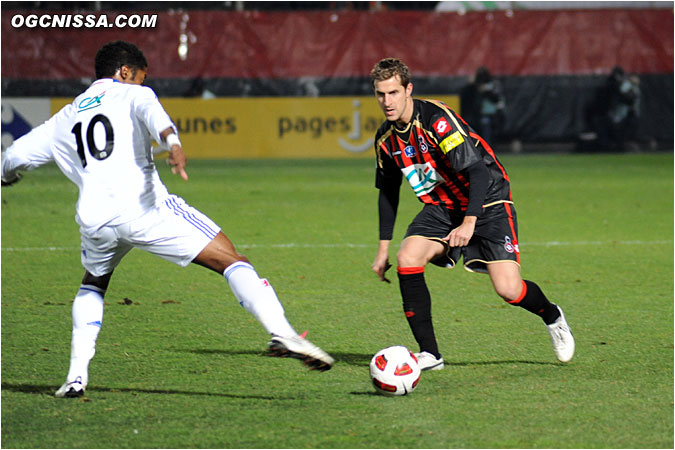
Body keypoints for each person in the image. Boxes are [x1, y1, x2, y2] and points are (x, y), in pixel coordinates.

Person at [1, 41, 334, 398]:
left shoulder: (64, 117)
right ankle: (281, 331)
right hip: (146, 211)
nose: (143, 83)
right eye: (142, 77)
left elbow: (14, 155)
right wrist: (172, 143)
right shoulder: (133, 94)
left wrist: (8, 177)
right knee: (233, 261)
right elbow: (156, 117)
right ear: (126, 72)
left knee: (93, 285)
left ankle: (75, 378)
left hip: (95, 221)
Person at [369, 58, 574, 371]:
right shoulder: (386, 139)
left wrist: (469, 221)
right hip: (441, 206)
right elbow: (388, 192)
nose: (387, 101)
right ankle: (430, 354)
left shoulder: (437, 120)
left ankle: (553, 316)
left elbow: (477, 171)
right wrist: (383, 247)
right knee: (408, 257)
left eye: (394, 92)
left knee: (508, 289)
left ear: (408, 90)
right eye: (381, 94)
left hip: (489, 199)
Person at [459, 66, 506, 146]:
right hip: (481, 114)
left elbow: (497, 98)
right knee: (484, 132)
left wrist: (486, 91)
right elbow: (467, 96)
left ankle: (489, 147)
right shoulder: (474, 87)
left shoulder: (493, 85)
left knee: (491, 132)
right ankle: (486, 147)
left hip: (494, 113)